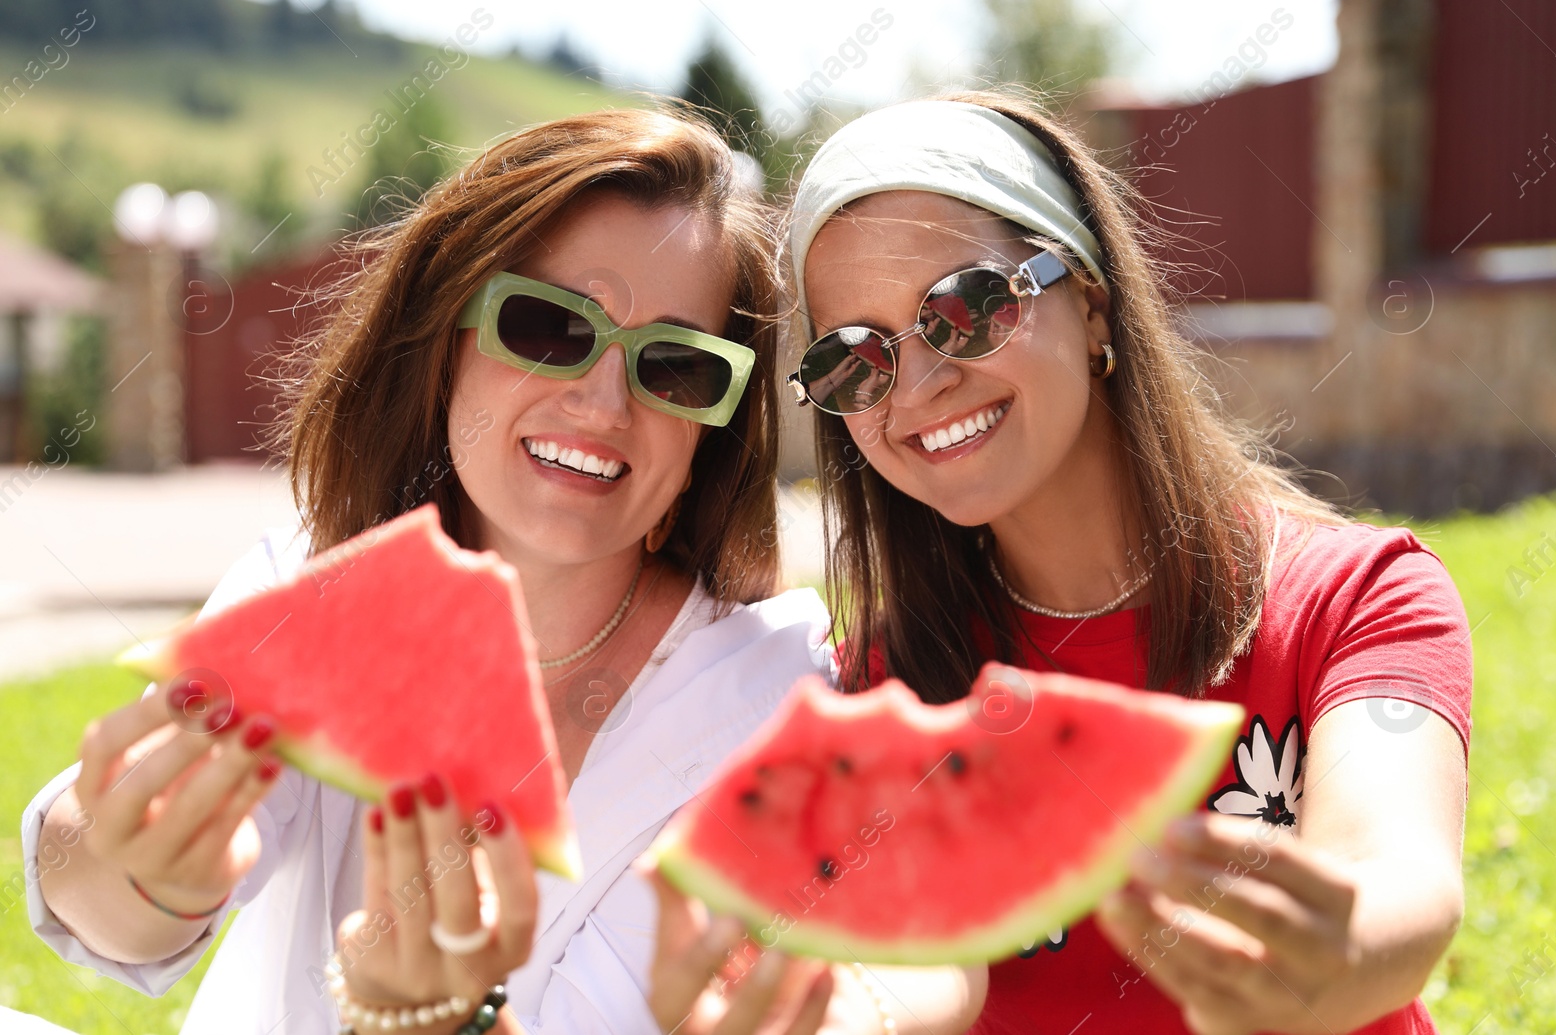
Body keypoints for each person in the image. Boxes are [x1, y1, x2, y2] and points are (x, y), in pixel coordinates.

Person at [22, 109, 980, 1035]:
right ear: (447, 346)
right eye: (549, 327)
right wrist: (132, 866)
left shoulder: (785, 696)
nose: (604, 402)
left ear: (713, 427)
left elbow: (900, 975)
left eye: (676, 367)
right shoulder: (308, 591)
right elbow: (102, 915)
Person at [785, 92, 1472, 1034]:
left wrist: (1339, 953)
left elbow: (1398, 876)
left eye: (967, 305)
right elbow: (917, 965)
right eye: (854, 356)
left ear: (1093, 302)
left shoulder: (1362, 597)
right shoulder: (886, 678)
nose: (919, 382)